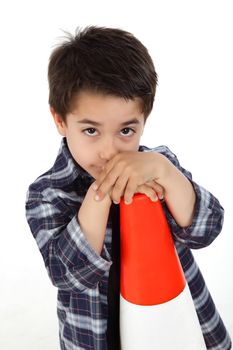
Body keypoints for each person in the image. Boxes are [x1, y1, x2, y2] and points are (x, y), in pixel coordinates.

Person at [25, 26, 231, 350]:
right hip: (95, 337)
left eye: (126, 130)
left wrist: (166, 172)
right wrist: (102, 192)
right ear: (60, 121)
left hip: (176, 323)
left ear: (143, 121)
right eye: (91, 130)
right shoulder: (49, 193)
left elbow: (208, 228)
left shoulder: (159, 167)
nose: (110, 151)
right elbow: (67, 276)